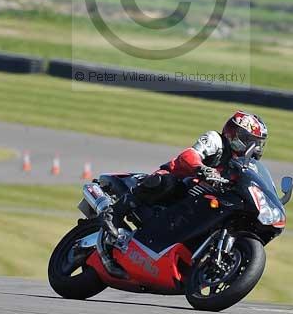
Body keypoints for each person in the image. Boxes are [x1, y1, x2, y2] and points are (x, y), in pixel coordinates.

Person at [98, 110, 268, 277]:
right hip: (181, 182)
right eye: (249, 141)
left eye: (257, 144)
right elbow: (189, 155)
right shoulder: (216, 141)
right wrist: (201, 168)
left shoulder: (244, 166)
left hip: (201, 202)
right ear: (233, 133)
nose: (254, 148)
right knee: (166, 182)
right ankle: (114, 213)